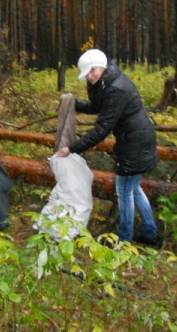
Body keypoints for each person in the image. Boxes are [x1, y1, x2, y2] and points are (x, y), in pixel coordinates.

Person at [55, 49, 160, 245]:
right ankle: (150, 233)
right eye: (86, 73)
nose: (89, 76)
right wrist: (72, 104)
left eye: (92, 71)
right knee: (133, 188)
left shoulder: (116, 89)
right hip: (131, 139)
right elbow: (97, 107)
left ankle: (124, 239)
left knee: (124, 190)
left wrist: (72, 148)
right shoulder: (102, 82)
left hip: (136, 142)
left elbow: (102, 129)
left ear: (102, 67)